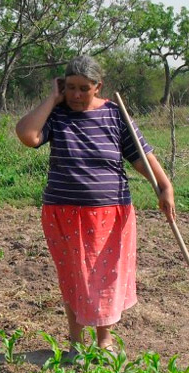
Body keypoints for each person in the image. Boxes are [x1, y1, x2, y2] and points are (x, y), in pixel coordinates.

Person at [15, 55, 175, 351]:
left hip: (111, 214)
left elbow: (140, 156)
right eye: (70, 87)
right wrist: (52, 99)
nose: (76, 95)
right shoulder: (57, 114)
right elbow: (28, 135)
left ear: (98, 87)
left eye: (84, 88)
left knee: (105, 276)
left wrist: (164, 186)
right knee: (74, 276)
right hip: (63, 212)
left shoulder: (115, 115)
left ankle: (105, 341)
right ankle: (75, 344)